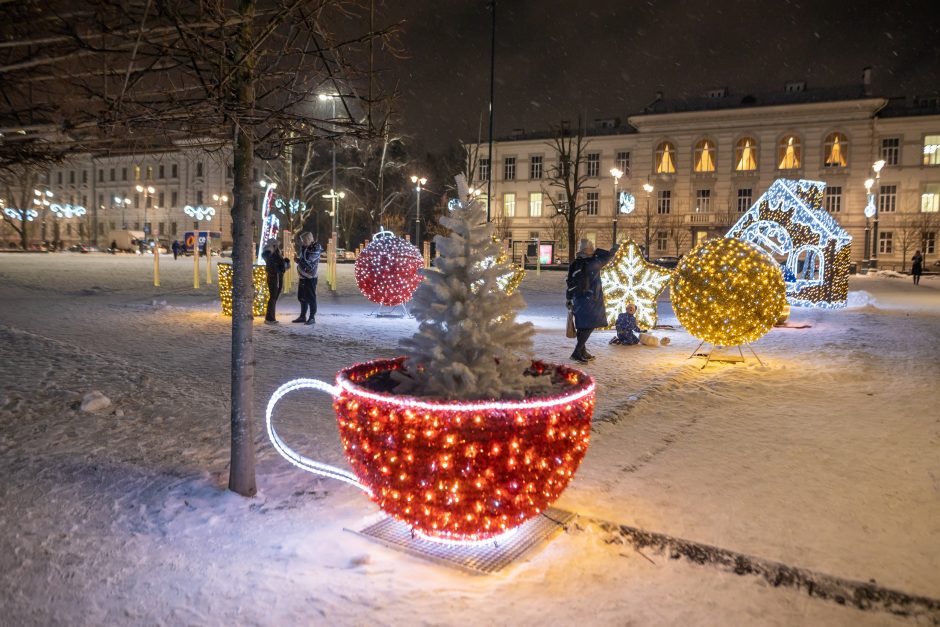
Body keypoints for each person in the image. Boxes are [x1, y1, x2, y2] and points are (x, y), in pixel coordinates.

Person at [566, 238, 618, 363]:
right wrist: (612, 250)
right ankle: (577, 351)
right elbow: (606, 257)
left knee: (583, 326)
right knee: (588, 326)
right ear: (586, 249)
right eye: (592, 247)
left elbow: (569, 281)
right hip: (590, 299)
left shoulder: (575, 263)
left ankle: (582, 350)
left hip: (579, 298)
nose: (594, 249)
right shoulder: (592, 262)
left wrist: (568, 297)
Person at [293, 232, 323, 325]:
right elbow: (303, 260)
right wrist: (298, 259)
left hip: (310, 277)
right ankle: (302, 316)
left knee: (310, 298)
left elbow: (307, 261)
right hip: (303, 277)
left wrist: (299, 259)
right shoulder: (306, 248)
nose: (302, 242)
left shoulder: (315, 248)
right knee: (302, 297)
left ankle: (312, 317)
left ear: (308, 239)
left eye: (303, 240)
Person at [261, 238, 288, 324]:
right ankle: (270, 318)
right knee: (273, 297)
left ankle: (271, 317)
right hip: (274, 277)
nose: (277, 246)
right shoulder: (268, 253)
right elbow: (272, 263)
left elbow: (279, 264)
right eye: (275, 244)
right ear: (272, 245)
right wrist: (281, 267)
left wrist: (285, 263)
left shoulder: (276, 252)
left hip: (278, 276)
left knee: (274, 297)